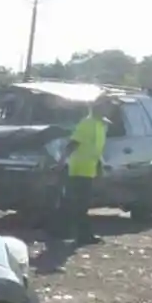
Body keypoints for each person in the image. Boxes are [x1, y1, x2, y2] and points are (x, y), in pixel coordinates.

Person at [60, 98, 107, 242]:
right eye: (105, 107)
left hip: (89, 169)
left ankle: (79, 234)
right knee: (79, 204)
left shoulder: (101, 125)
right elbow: (73, 143)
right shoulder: (87, 123)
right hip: (79, 169)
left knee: (82, 204)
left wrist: (99, 166)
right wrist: (61, 161)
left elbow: (95, 149)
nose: (108, 110)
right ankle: (79, 235)